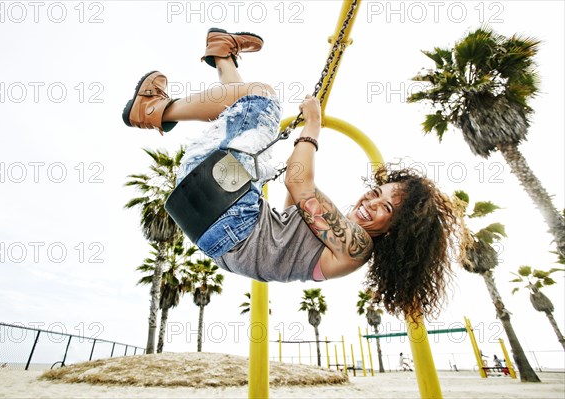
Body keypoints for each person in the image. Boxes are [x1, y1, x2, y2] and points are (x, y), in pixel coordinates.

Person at [122, 28, 467, 319]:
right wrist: (292, 151)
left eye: (387, 208)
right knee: (246, 114)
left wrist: (312, 127)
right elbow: (293, 197)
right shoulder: (330, 239)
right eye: (378, 193)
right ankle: (222, 55)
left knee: (264, 99)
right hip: (210, 212)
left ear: (395, 232)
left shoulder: (358, 248)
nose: (371, 202)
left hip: (228, 215)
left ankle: (155, 110)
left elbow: (297, 182)